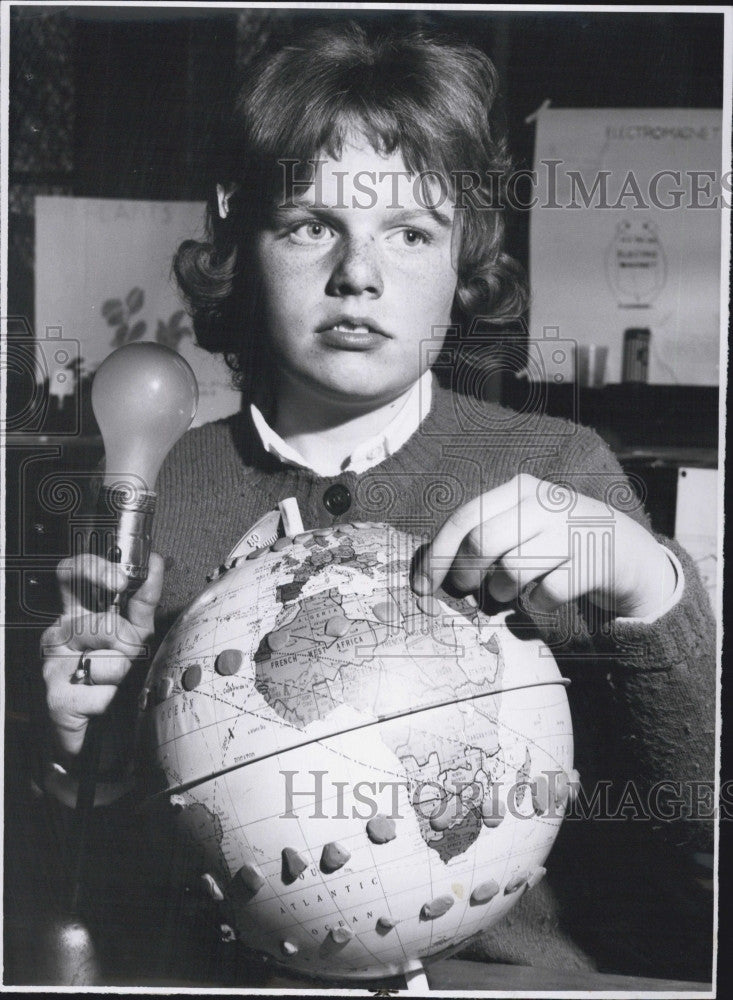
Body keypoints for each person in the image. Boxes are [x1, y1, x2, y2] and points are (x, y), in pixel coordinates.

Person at [41, 21, 715, 986]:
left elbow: (701, 877)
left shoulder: (561, 473)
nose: (359, 274)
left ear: (463, 258)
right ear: (241, 233)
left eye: (410, 233)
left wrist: (653, 590)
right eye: (312, 224)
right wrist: (81, 767)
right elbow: (108, 915)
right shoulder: (163, 494)